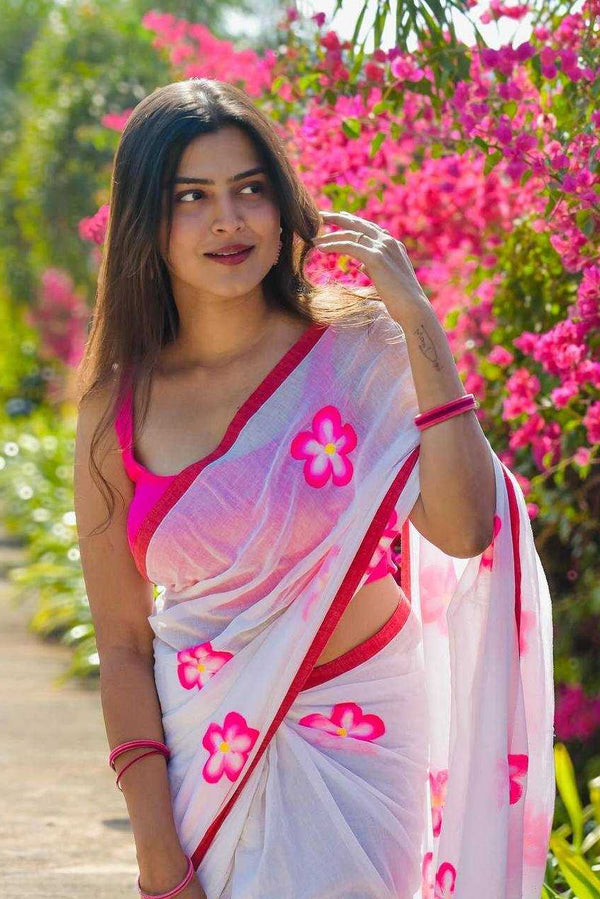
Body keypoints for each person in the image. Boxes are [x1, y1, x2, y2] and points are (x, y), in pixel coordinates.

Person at [74, 78, 555, 899]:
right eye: (194, 197)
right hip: (210, 754)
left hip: (364, 733)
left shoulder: (359, 349)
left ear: (281, 203)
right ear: (149, 224)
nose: (229, 220)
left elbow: (467, 528)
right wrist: (159, 859)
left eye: (249, 189)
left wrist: (419, 326)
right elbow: (122, 645)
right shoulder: (115, 410)